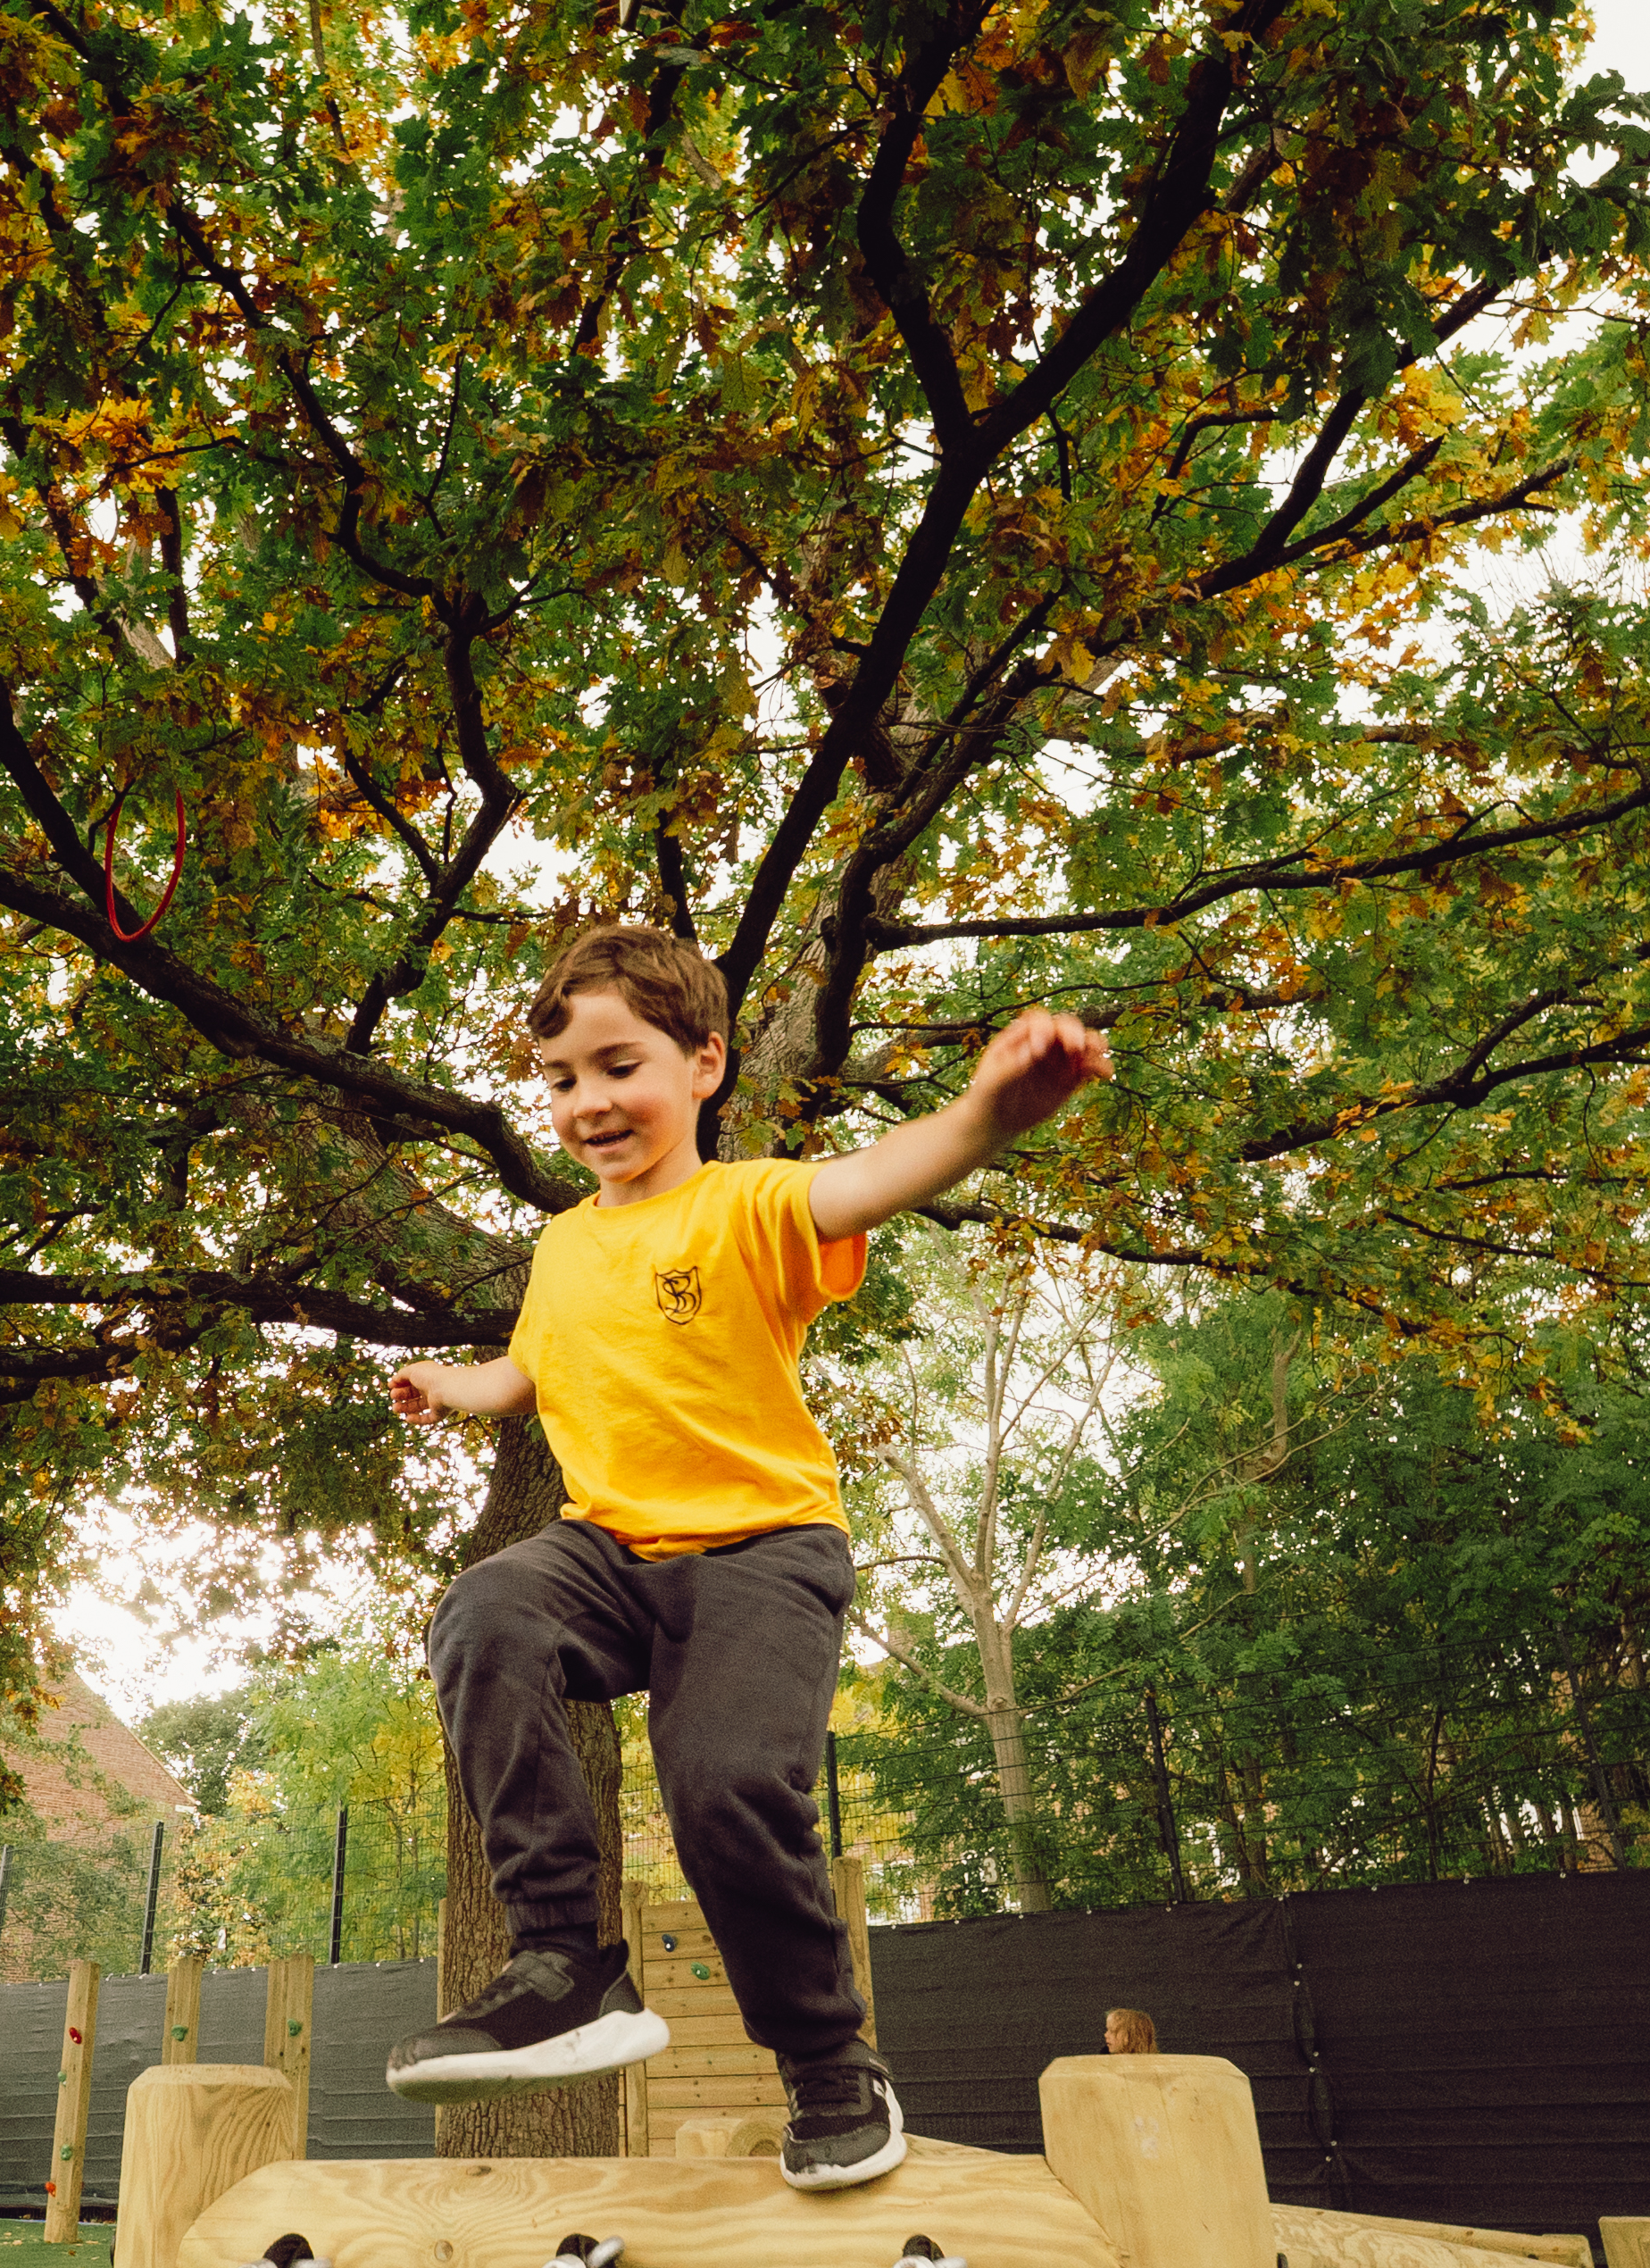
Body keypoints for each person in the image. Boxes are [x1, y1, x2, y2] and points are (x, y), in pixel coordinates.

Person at [381, 921, 1109, 2191]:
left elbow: (879, 1175)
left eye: (620, 1067)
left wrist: (992, 1111)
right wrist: (459, 1383)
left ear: (705, 1062)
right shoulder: (562, 1246)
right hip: (608, 1553)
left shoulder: (751, 1202)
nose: (589, 1104)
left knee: (720, 1782)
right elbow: (532, 1367)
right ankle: (564, 1964)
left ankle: (829, 2060)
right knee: (484, 1613)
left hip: (763, 1552)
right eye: (560, 1081)